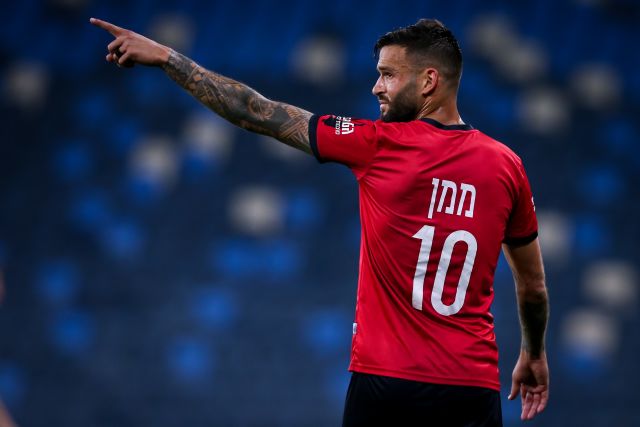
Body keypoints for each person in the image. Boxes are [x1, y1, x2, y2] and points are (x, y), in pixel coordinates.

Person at [90, 17, 549, 426]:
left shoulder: (378, 144)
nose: (376, 87)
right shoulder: (506, 166)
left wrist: (168, 58)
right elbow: (532, 287)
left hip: (388, 384)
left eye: (388, 75)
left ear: (429, 80)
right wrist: (532, 352)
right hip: (470, 388)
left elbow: (254, 110)